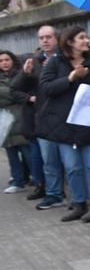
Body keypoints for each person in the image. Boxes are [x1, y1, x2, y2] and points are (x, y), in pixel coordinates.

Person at [38, 25, 90, 222]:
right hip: (64, 124)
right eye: (81, 38)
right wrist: (70, 77)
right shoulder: (55, 62)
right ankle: (78, 204)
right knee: (73, 167)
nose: (86, 41)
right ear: (69, 42)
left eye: (86, 37)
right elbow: (46, 88)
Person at [27, 25, 58, 205]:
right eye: (41, 38)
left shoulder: (65, 58)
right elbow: (16, 87)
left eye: (48, 37)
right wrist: (26, 73)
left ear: (57, 38)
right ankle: (53, 194)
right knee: (49, 161)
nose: (45, 41)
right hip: (44, 117)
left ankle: (81, 200)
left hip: (64, 118)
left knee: (72, 165)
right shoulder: (34, 61)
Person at [0, 50, 36, 193]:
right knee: (11, 153)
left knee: (27, 151)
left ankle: (36, 179)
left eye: (7, 59)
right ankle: (17, 181)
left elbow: (25, 93)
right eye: (1, 61)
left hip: (23, 118)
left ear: (13, 60)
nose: (4, 63)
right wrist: (19, 95)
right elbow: (16, 94)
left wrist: (19, 95)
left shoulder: (22, 74)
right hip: (6, 121)